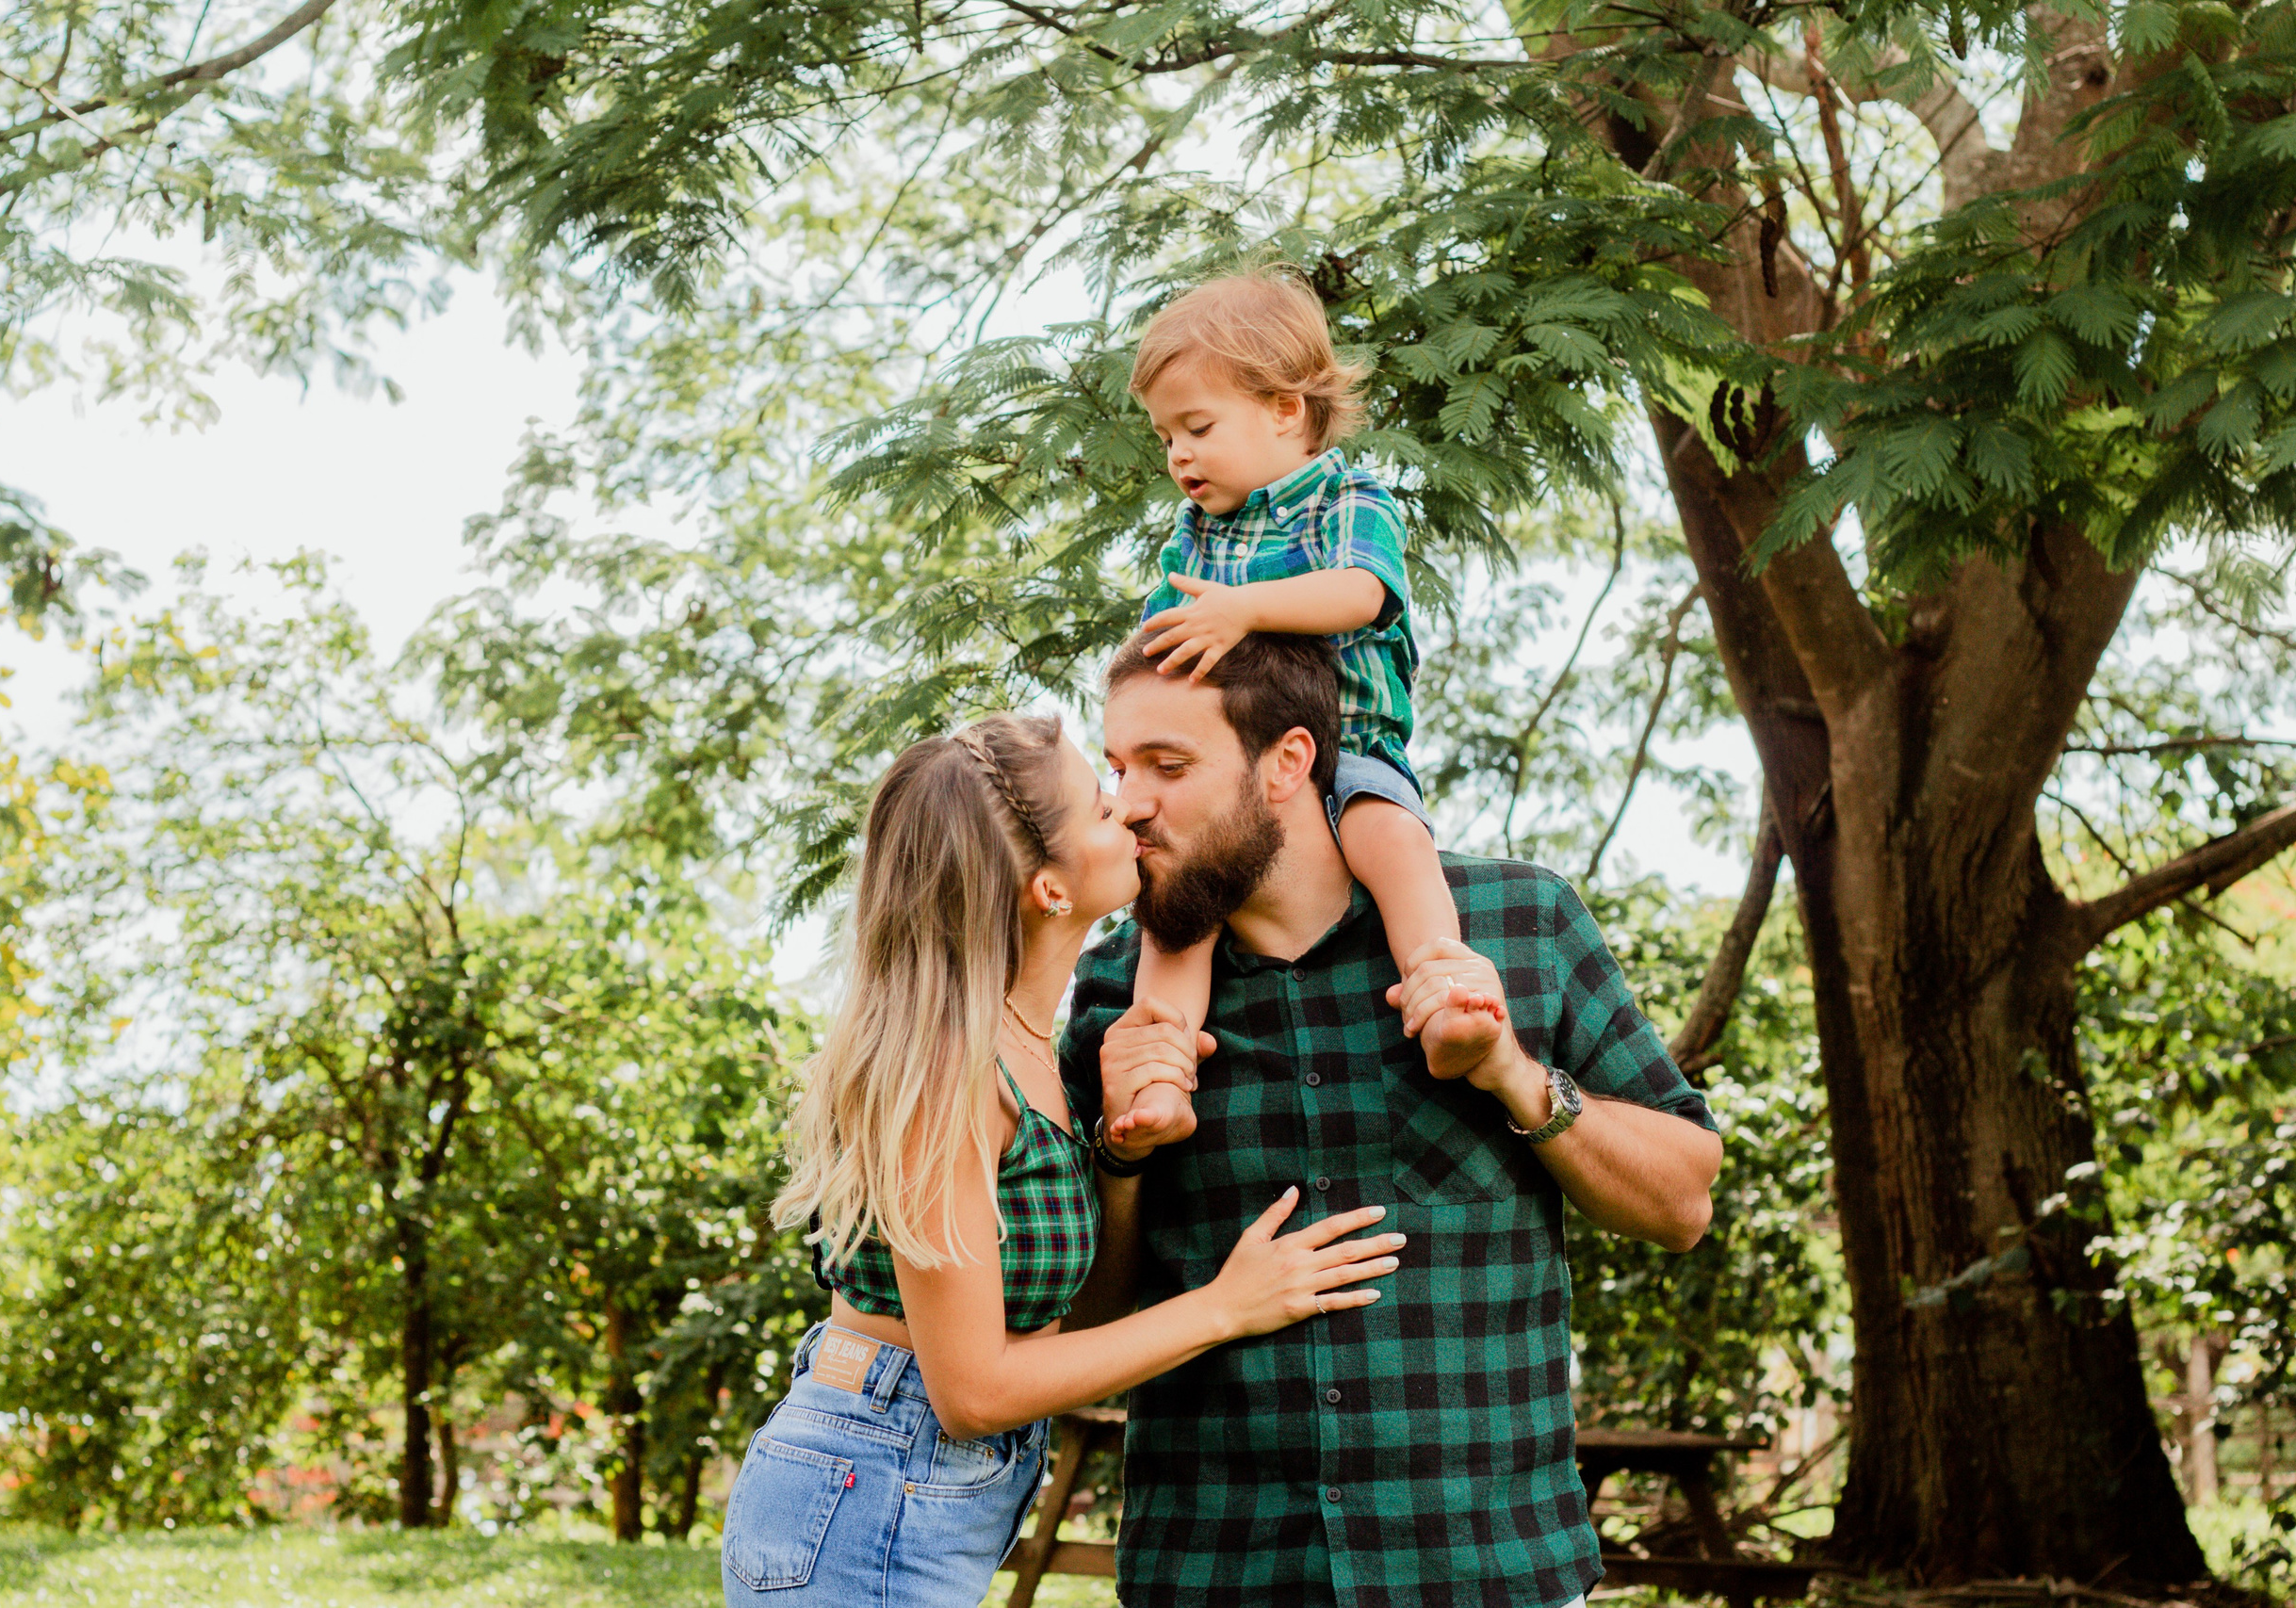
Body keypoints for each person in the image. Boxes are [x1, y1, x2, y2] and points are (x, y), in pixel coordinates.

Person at [1065, 632, 1726, 1608]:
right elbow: (1084, 1318)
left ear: (1288, 761)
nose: (1130, 803)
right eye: (1118, 769)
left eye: (1169, 766)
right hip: (1217, 1568)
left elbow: (1682, 1201)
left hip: (1487, 1569)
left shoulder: (1518, 924)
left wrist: (1512, 1073)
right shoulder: (1122, 988)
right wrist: (1121, 1158)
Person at [724, 713, 1404, 1607]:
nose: (1128, 810)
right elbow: (973, 1389)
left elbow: (1057, 1323)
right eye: (1098, 805)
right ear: (1048, 887)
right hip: (865, 1495)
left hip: (909, 1493)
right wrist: (1226, 1307)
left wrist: (1121, 1163)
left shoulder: (1029, 1045)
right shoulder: (949, 1076)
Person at [1112, 267, 1499, 1157]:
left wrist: (1246, 608)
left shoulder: (1349, 499)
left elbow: (1362, 593)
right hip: (1240, 770)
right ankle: (1160, 1070)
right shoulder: (1193, 534)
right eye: (1167, 435)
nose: (1179, 454)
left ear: (1285, 409)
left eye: (1197, 427)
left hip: (1349, 743)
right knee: (1183, 903)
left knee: (1391, 838)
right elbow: (1167, 637)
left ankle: (1444, 997)